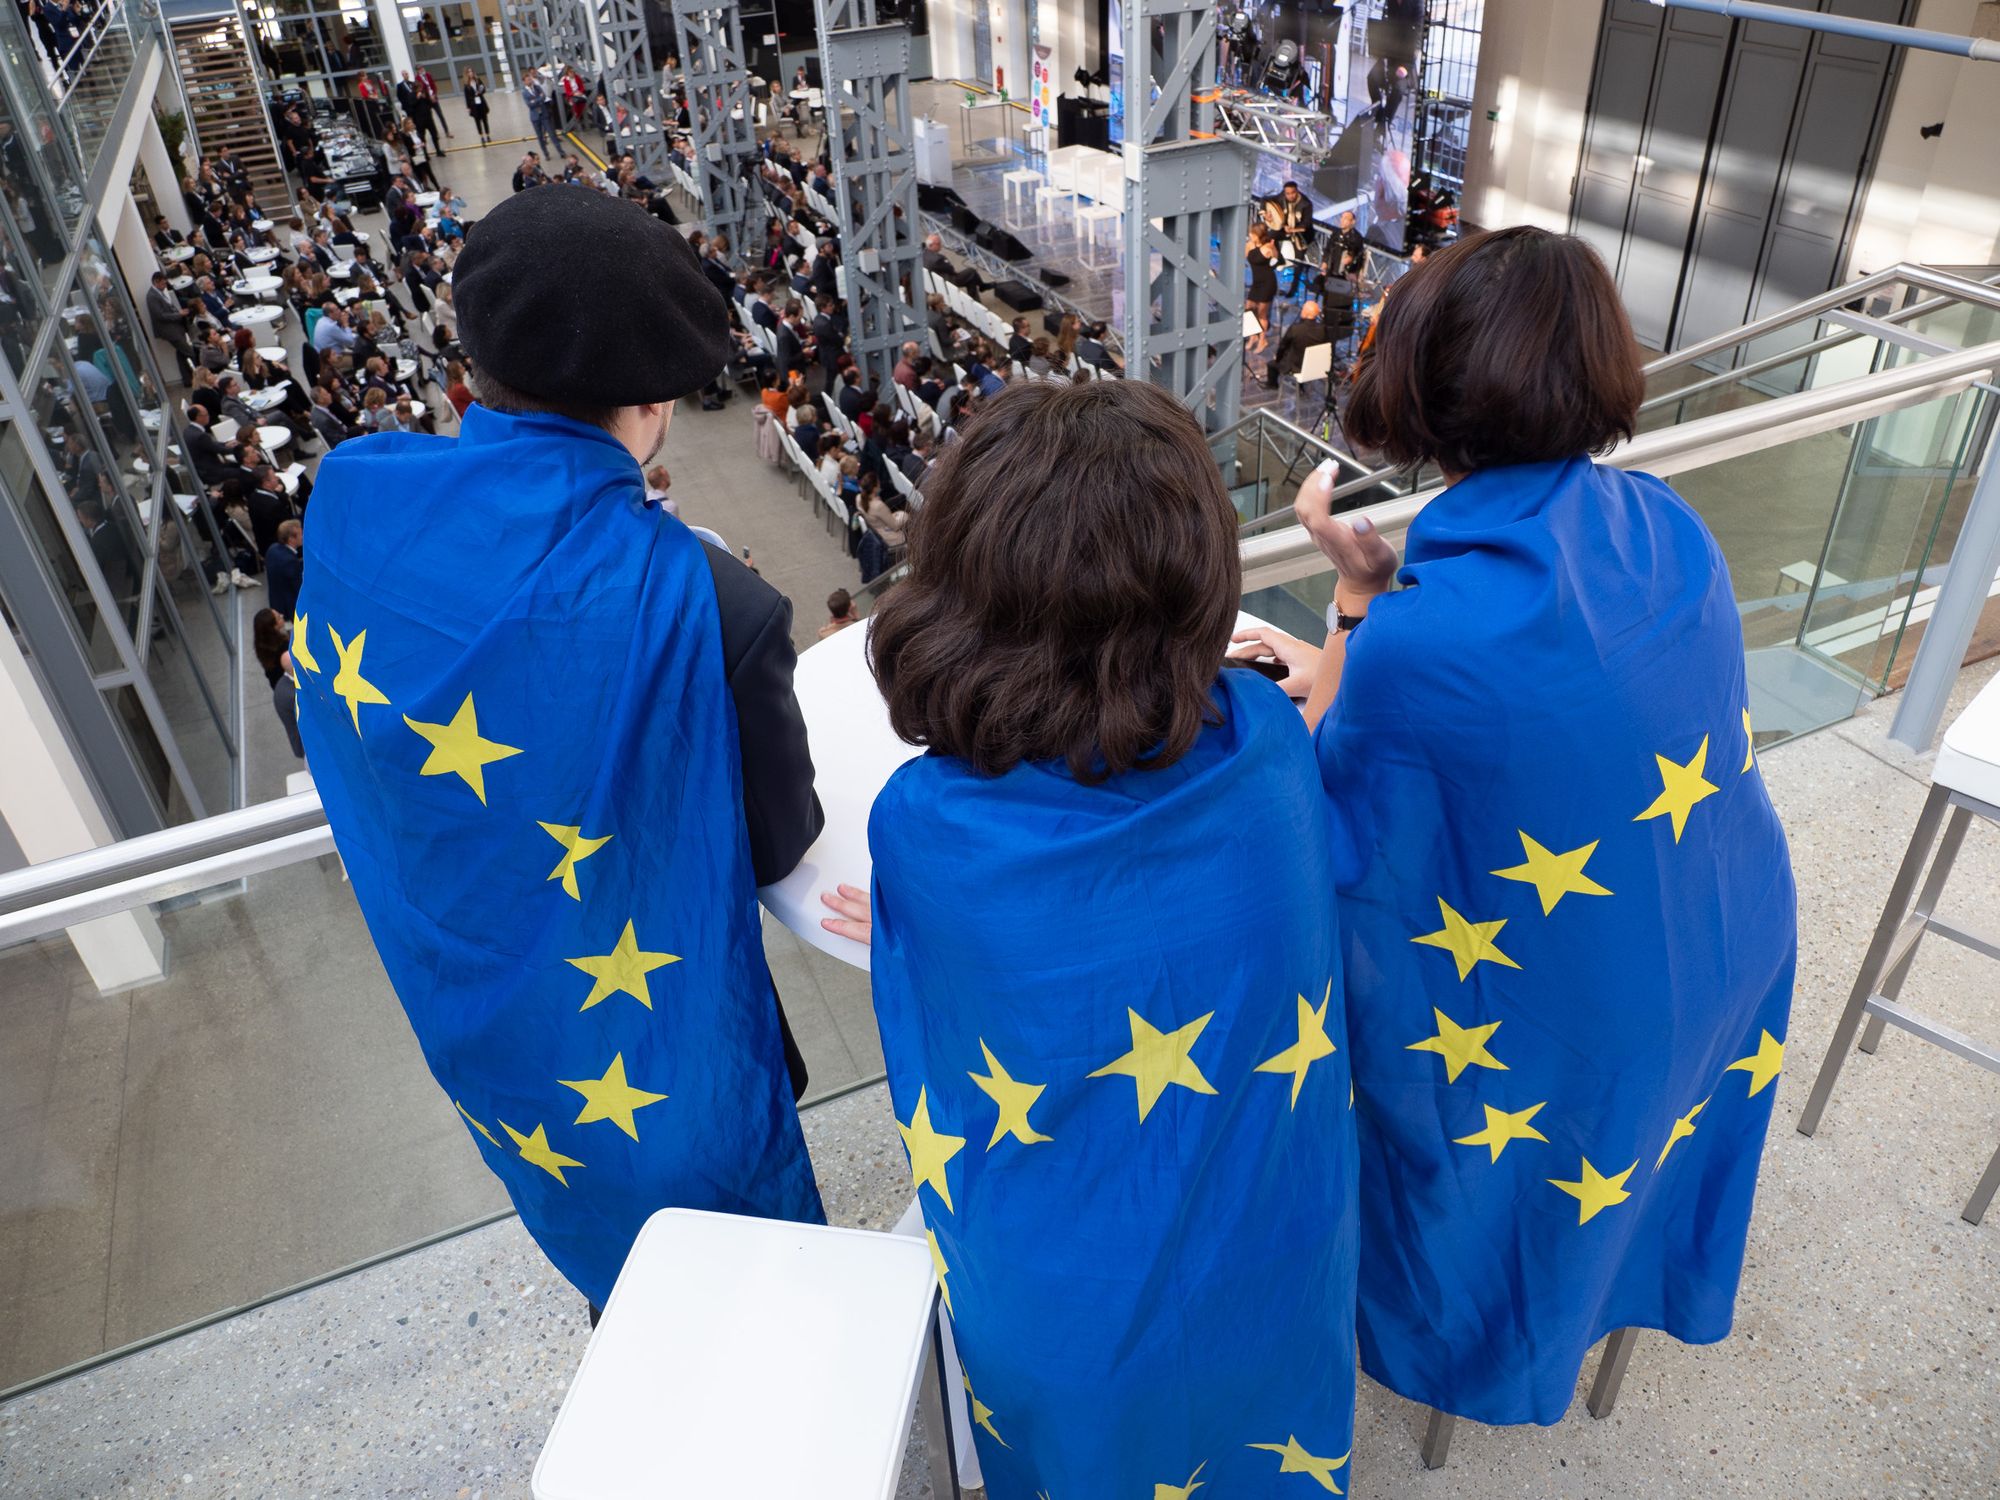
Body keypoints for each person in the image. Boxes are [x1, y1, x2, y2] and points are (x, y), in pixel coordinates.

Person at [1232, 226, 1797, 1427]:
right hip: (1726, 960)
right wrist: (1369, 610)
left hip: (1574, 1041)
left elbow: (1325, 830)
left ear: (1423, 384)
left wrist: (1336, 620)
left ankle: (1461, 1341)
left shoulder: (1423, 647)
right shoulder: (1665, 526)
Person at [291, 186, 827, 1317]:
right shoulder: (706, 603)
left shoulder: (351, 497)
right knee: (752, 1309)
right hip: (667, 1067)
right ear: (655, 401)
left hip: (503, 1056)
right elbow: (781, 841)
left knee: (625, 1288)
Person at [818, 379, 1358, 1498]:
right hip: (1278, 1255)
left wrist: (920, 922)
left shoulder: (925, 822)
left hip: (1066, 1308)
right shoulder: (1264, 739)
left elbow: (954, 1025)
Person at [253, 606, 305, 758]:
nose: (282, 615)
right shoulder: (283, 649)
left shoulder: (262, 646)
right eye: (278, 617)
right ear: (274, 627)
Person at [1262, 299, 1332, 389]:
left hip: (1297, 367)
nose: (1301, 311)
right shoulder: (1323, 329)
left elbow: (1283, 346)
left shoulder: (1295, 329)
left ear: (1306, 313)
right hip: (1317, 367)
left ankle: (1272, 385)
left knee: (1271, 364)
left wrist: (1278, 359)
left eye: (1302, 309)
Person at [1244, 224, 1279, 355]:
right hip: (1256, 282)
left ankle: (1262, 340)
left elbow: (1276, 259)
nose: (1251, 235)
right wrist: (1250, 244)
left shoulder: (1268, 247)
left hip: (1268, 283)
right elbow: (1245, 256)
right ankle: (1253, 336)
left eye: (1253, 234)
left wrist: (1273, 247)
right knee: (1249, 309)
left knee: (1261, 314)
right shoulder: (1249, 245)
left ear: (1259, 235)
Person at [265, 516, 304, 622]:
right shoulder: (289, 562)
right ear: (291, 539)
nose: (303, 536)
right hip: (289, 609)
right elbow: (299, 589)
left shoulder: (272, 549)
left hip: (276, 603)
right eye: (301, 534)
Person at [463, 69, 491, 142]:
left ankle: (488, 135)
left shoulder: (478, 80)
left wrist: (480, 91)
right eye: (469, 72)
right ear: (467, 74)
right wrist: (468, 107)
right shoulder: (466, 84)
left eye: (471, 71)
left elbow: (484, 89)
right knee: (477, 121)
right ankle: (481, 136)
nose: (471, 73)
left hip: (481, 102)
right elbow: (466, 96)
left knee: (485, 119)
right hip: (473, 104)